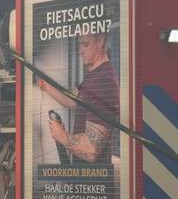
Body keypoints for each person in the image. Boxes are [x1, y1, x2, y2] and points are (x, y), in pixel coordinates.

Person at [39, 31, 118, 164]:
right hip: (84, 176)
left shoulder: (102, 81)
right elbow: (71, 100)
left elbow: (91, 150)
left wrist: (62, 136)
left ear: (100, 41)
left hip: (94, 180)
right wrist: (45, 85)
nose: (79, 51)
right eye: (79, 45)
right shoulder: (93, 76)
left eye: (85, 44)